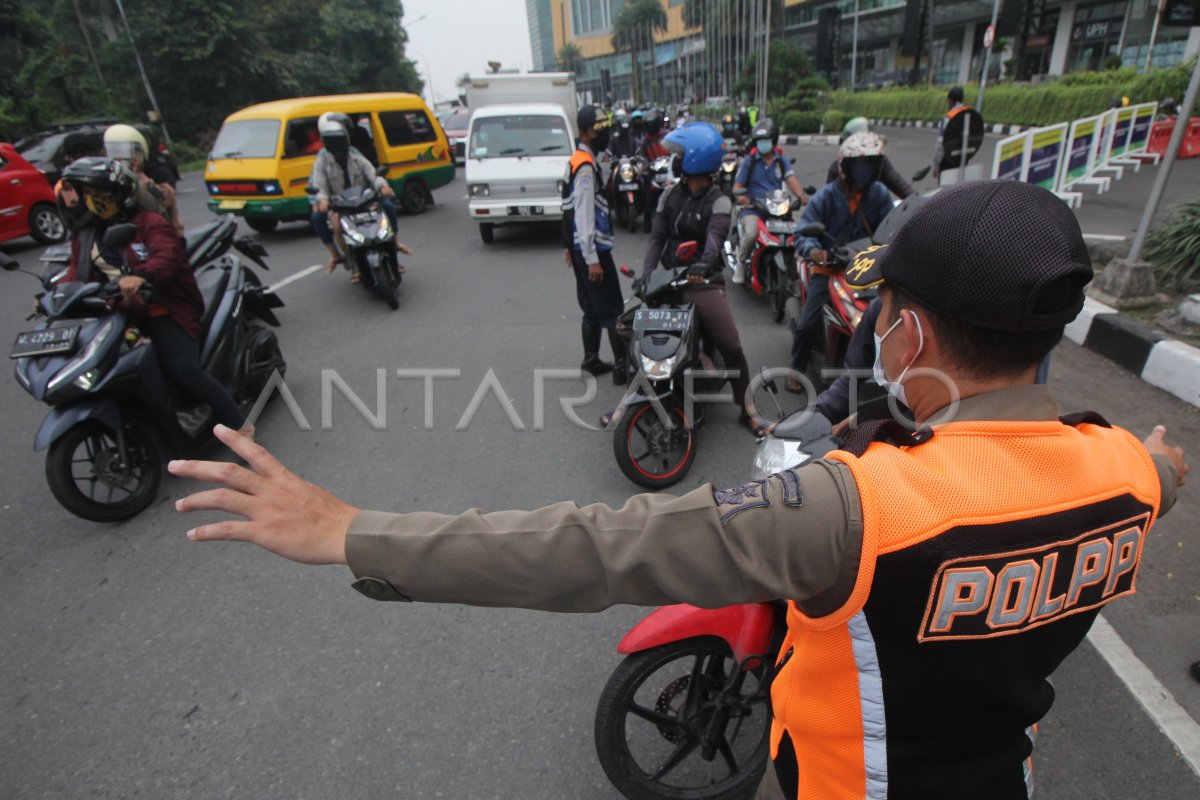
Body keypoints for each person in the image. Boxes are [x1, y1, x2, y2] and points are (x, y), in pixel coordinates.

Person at [172, 179, 1188, 800]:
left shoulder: (857, 506)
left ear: (910, 334)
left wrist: (355, 531)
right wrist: (1159, 457)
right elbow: (1161, 469)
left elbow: (594, 545)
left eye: (887, 310)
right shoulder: (1128, 472)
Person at [60, 157, 247, 432]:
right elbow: (76, 273)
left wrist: (142, 276)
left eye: (99, 194)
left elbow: (167, 257)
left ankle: (241, 427)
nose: (93, 200)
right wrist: (56, 296)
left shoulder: (149, 223)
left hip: (163, 308)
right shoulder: (86, 235)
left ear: (119, 193)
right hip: (118, 313)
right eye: (87, 194)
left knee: (185, 371)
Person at [635, 121, 766, 436]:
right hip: (668, 277)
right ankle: (634, 398)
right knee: (630, 327)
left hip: (701, 281)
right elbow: (656, 239)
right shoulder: (669, 194)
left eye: (679, 154)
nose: (674, 159)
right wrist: (647, 276)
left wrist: (704, 265)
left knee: (731, 344)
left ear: (696, 159)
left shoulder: (719, 201)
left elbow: (714, 238)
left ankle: (746, 407)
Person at [788, 131, 894, 394]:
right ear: (845, 167)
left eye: (869, 164)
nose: (864, 170)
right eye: (859, 164)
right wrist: (814, 251)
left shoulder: (879, 194)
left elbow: (893, 227)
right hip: (830, 268)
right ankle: (796, 370)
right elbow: (802, 232)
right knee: (806, 323)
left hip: (870, 269)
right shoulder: (825, 196)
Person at [309, 112, 411, 281]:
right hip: (340, 205)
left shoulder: (355, 154)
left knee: (388, 208)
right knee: (328, 222)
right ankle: (345, 259)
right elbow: (318, 184)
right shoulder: (322, 160)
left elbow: (371, 173)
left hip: (363, 200)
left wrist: (383, 185)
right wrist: (322, 199)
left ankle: (394, 245)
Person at [561, 105, 624, 380]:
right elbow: (584, 214)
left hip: (578, 247)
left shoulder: (577, 159)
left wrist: (571, 247)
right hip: (592, 249)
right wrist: (591, 259)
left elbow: (567, 208)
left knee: (590, 307)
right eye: (599, 130)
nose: (605, 134)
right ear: (585, 133)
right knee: (612, 308)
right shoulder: (585, 168)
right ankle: (623, 367)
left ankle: (591, 361)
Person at [731, 117, 809, 285]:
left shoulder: (780, 160)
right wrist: (742, 198)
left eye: (765, 140)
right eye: (759, 141)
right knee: (751, 234)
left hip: (776, 207)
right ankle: (740, 262)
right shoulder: (749, 161)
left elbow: (791, 179)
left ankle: (794, 267)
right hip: (753, 208)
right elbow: (737, 186)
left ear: (773, 141)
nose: (762, 144)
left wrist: (801, 196)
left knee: (796, 235)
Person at [104, 124, 184, 235]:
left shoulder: (158, 182)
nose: (117, 159)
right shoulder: (108, 187)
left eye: (122, 153)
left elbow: (165, 204)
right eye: (113, 153)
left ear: (138, 155)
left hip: (158, 240)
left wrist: (137, 177)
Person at [825, 118, 913, 199]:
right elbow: (829, 202)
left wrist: (919, 204)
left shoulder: (880, 164)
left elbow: (898, 184)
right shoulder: (836, 168)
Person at [933, 86, 969, 181]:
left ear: (950, 101)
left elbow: (940, 145)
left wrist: (936, 166)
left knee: (946, 193)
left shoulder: (948, 118)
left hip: (947, 163)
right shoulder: (969, 114)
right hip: (963, 161)